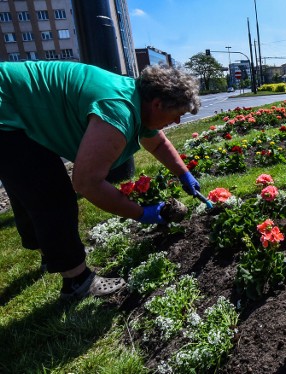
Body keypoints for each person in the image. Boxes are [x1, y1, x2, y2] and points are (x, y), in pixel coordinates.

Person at [0, 61, 202, 300]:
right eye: (177, 114)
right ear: (157, 103)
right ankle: (77, 280)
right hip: (6, 109)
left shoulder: (140, 99)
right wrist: (140, 212)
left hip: (13, 102)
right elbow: (87, 183)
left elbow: (156, 142)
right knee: (52, 195)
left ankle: (49, 250)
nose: (177, 122)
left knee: (29, 186)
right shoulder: (118, 109)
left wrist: (183, 174)